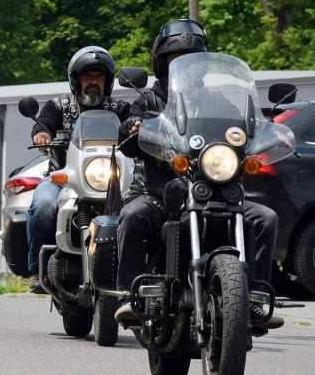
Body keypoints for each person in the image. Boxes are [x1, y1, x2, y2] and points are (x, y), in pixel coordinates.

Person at [113, 18, 282, 330]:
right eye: (177, 60)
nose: (186, 67)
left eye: (192, 61)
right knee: (134, 214)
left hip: (213, 188)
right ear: (163, 64)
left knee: (264, 218)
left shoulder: (216, 100)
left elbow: (244, 127)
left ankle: (254, 297)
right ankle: (129, 295)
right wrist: (131, 128)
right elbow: (127, 134)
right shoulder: (147, 100)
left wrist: (269, 134)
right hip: (157, 192)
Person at [25, 46, 131, 292]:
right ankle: (38, 270)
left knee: (139, 211)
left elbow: (133, 126)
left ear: (108, 81)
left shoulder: (121, 109)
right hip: (64, 179)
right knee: (42, 205)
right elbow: (44, 124)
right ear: (76, 80)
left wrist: (138, 129)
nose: (93, 82)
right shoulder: (58, 105)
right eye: (87, 76)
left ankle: (135, 270)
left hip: (112, 180)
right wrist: (41, 134)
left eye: (99, 77)